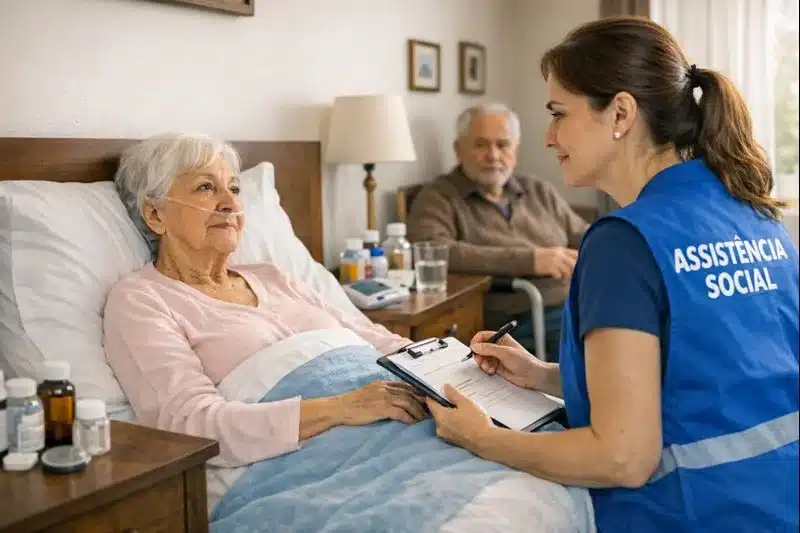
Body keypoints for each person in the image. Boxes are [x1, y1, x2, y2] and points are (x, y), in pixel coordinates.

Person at [425, 16, 799, 533]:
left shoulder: (625, 240)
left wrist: (480, 438)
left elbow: (623, 458)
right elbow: (697, 376)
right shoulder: (755, 215)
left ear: (621, 112)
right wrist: (543, 375)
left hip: (688, 513)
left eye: (559, 113)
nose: (548, 135)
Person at [103, 133, 426, 468]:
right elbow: (191, 426)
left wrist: (450, 367)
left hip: (407, 420)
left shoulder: (271, 275)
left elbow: (372, 337)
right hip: (325, 458)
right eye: (205, 187)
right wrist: (342, 407)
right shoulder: (142, 300)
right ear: (156, 214)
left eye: (234, 188)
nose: (230, 203)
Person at [407, 102, 589, 361]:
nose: (493, 155)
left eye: (502, 145)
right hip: (519, 319)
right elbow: (434, 250)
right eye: (481, 145)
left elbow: (583, 235)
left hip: (577, 301)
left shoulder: (538, 190)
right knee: (605, 343)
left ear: (514, 150)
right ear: (459, 151)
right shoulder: (438, 196)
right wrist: (530, 261)